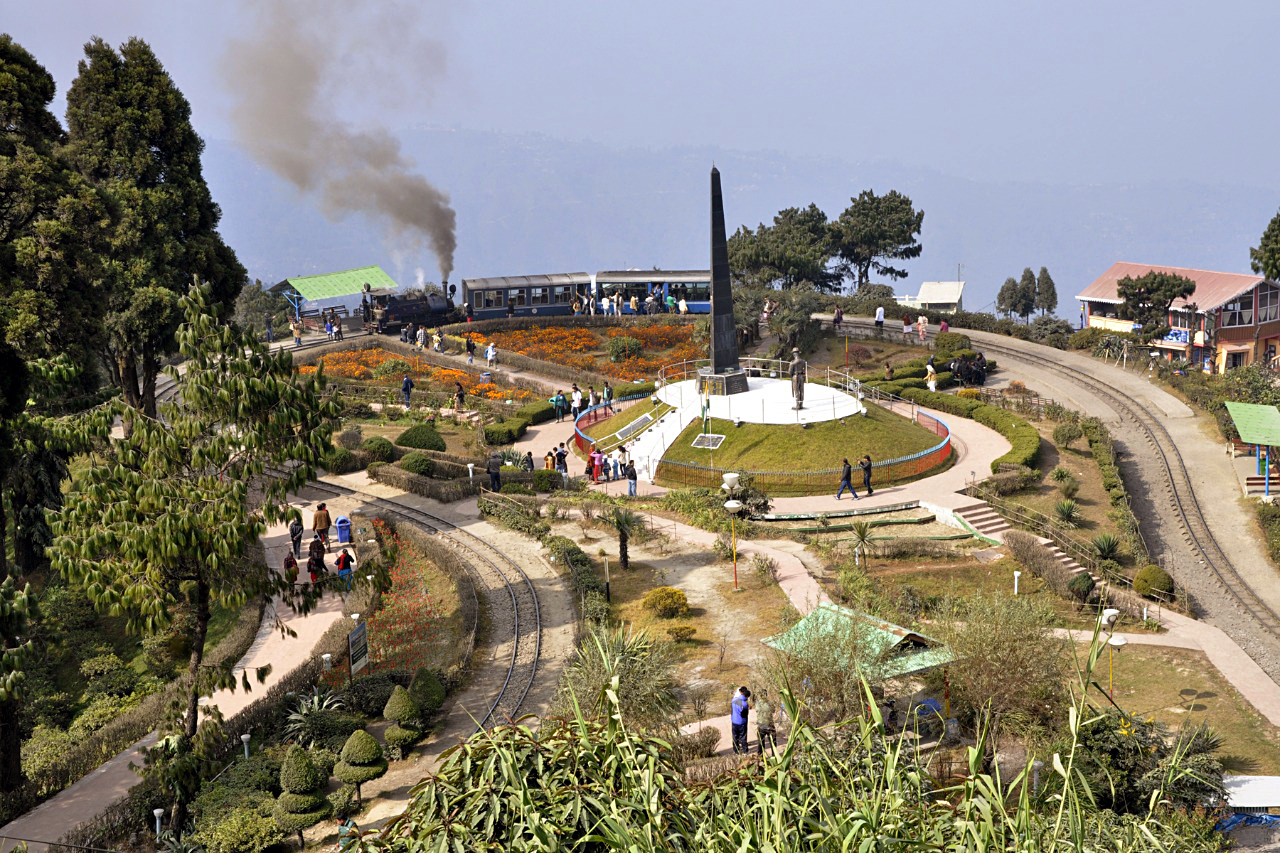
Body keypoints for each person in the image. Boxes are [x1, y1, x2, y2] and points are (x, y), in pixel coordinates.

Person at [754, 689, 778, 756]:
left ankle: (761, 757)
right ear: (766, 695)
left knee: (761, 743)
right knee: (773, 742)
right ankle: (774, 756)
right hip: (770, 725)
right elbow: (773, 711)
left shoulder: (757, 703)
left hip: (761, 725)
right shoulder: (770, 703)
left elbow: (757, 711)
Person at [731, 687, 752, 754]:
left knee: (735, 736)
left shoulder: (734, 700)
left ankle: (736, 750)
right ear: (747, 696)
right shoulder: (744, 704)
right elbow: (745, 714)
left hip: (734, 721)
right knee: (743, 736)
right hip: (742, 722)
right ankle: (745, 750)